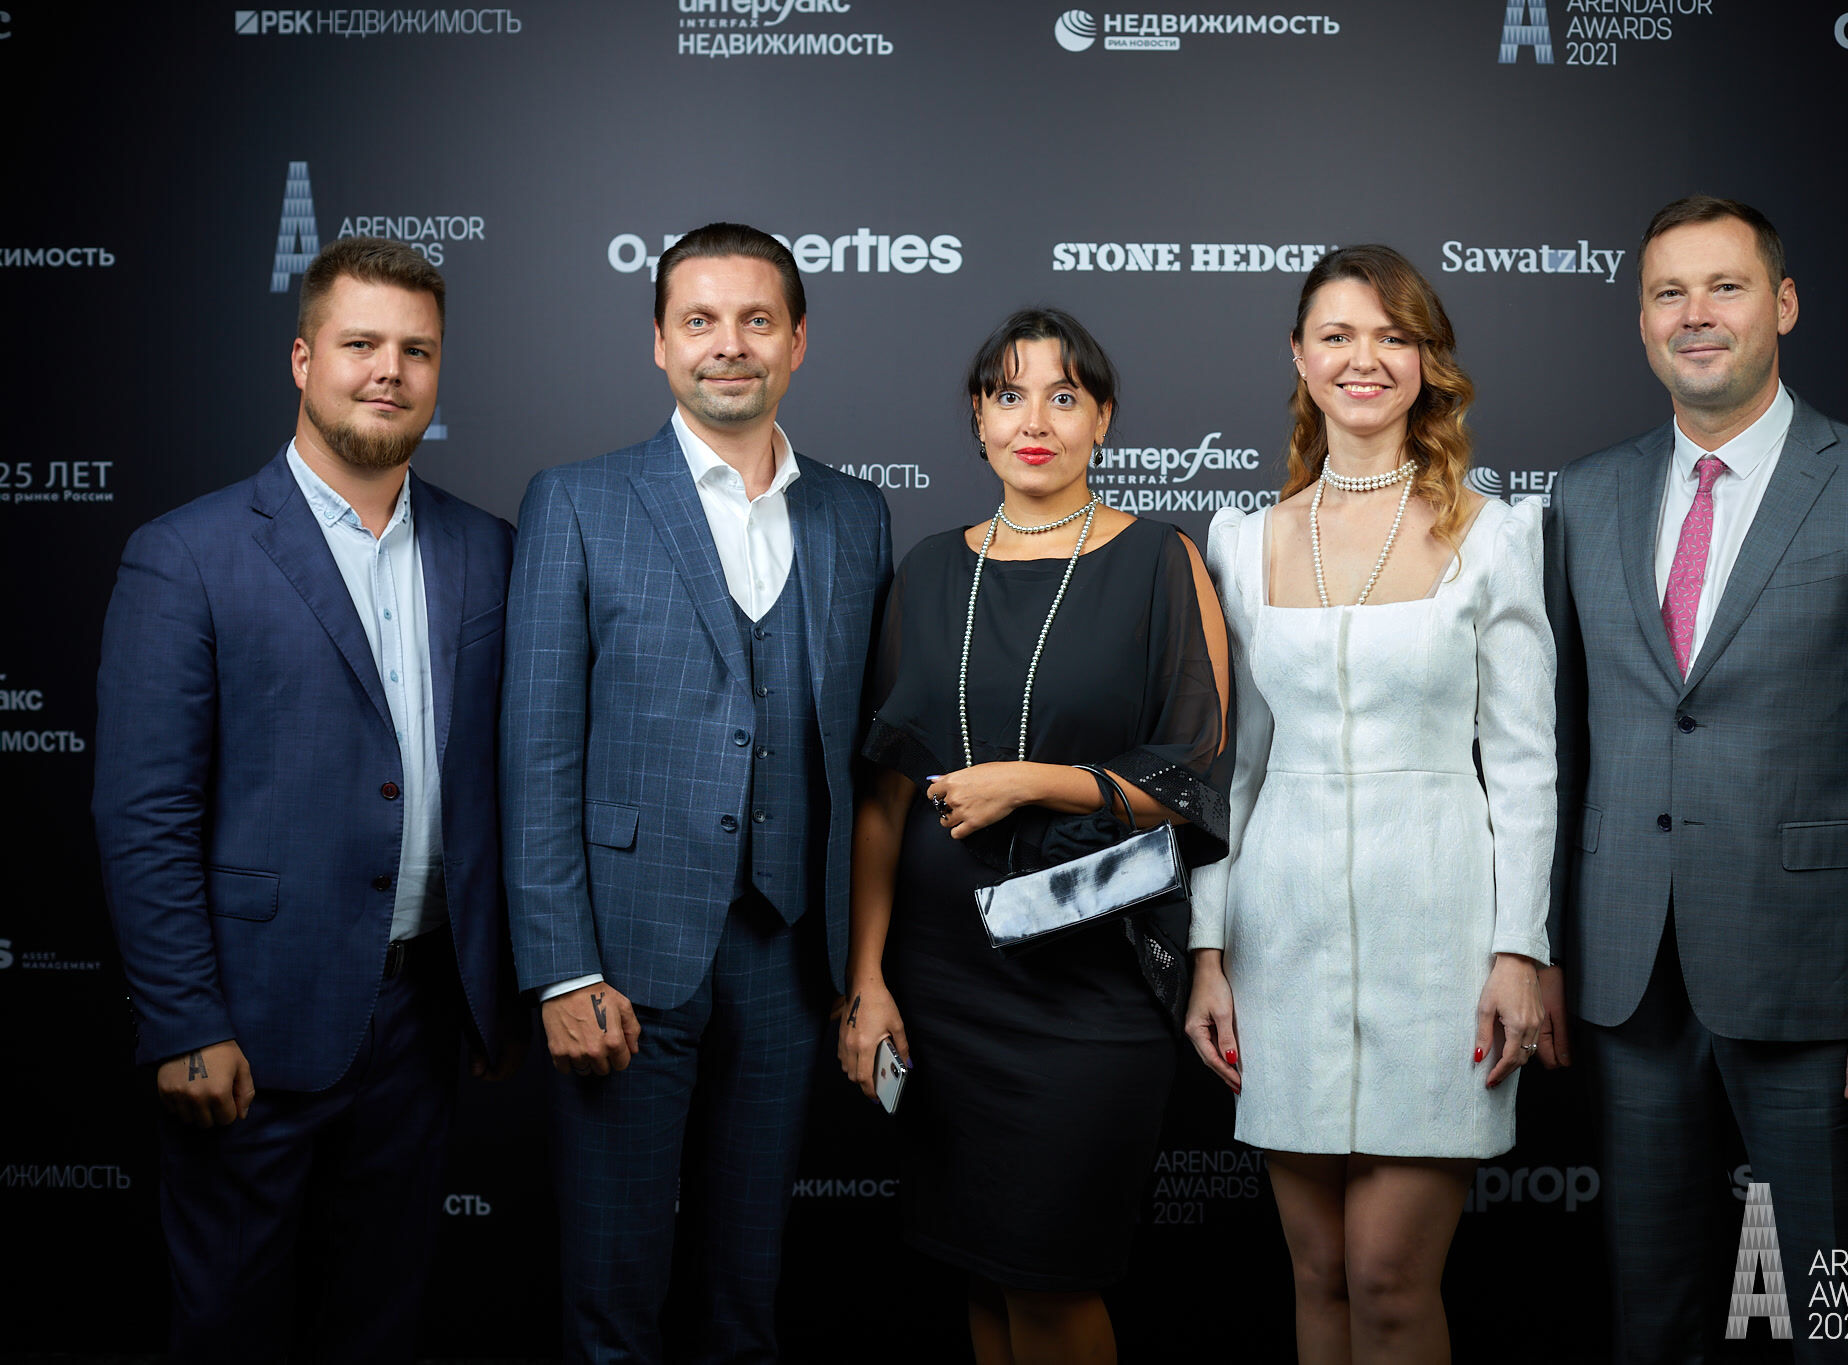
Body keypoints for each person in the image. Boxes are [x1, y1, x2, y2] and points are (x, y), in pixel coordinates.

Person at [1541, 195, 1848, 1362]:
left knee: (1840, 1319)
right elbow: (1559, 747)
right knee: (1652, 1317)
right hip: (1629, 978)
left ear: (1780, 305)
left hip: (1819, 982)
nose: (1695, 314)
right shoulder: (1583, 495)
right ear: (1641, 322)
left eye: (1723, 287)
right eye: (1667, 293)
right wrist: (1539, 948)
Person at [91, 236, 523, 1363]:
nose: (389, 371)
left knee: (377, 1326)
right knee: (229, 1327)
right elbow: (143, 815)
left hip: (424, 1017)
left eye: (416, 350)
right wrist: (186, 1022)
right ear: (301, 359)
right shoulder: (185, 556)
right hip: (249, 1020)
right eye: (360, 344)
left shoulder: (490, 551)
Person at [501, 221, 893, 1365]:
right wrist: (561, 968)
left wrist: (861, 969)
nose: (730, 345)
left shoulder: (855, 514)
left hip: (788, 959)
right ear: (660, 343)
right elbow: (536, 750)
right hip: (622, 959)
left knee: (743, 1295)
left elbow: (865, 759)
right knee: (611, 1298)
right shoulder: (578, 501)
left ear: (797, 341)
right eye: (701, 321)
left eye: (756, 321)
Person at [835, 307, 1231, 1365]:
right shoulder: (928, 570)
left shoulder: (1159, 561)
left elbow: (1193, 775)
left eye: (1064, 396)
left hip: (1087, 977)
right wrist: (866, 978)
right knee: (982, 1270)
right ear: (978, 418)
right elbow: (882, 800)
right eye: (1009, 396)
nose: (1035, 421)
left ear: (1102, 418)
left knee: (1052, 1281)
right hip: (939, 980)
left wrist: (1029, 783)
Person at [1184, 245, 1556, 1364]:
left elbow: (1524, 764)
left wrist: (1518, 950)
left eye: (1393, 336)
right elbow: (1231, 772)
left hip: (1440, 944)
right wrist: (1208, 951)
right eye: (1337, 335)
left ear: (1427, 361)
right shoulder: (1240, 540)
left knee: (1390, 1281)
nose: (1364, 359)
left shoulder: (1497, 534)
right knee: (1317, 1277)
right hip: (1279, 942)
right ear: (1298, 357)